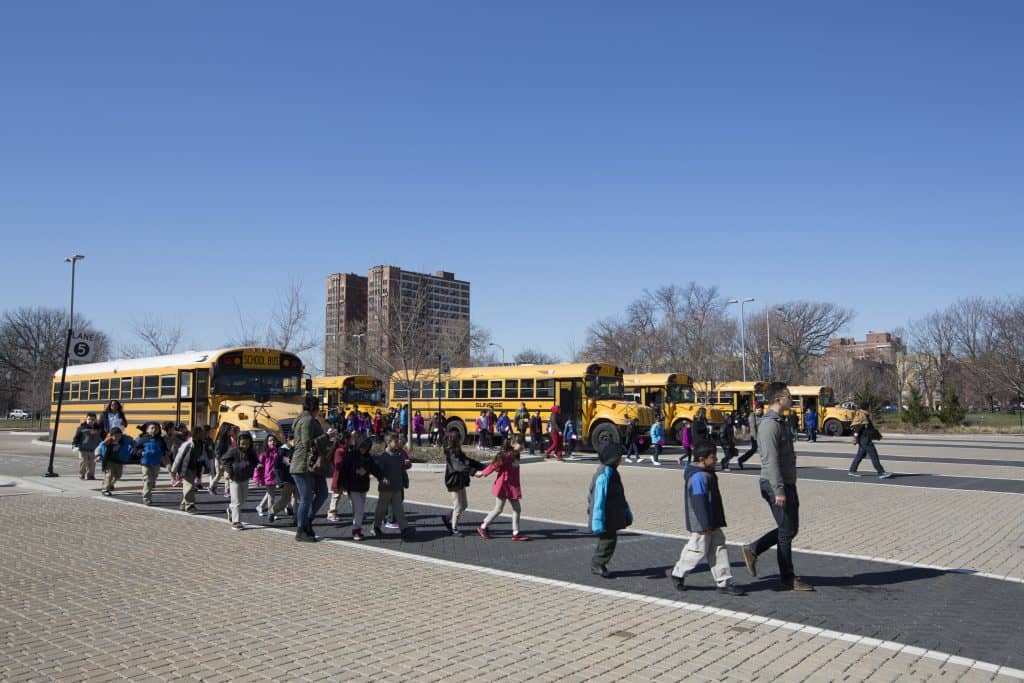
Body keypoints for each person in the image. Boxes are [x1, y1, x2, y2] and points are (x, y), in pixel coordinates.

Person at [741, 382, 813, 591]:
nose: (792, 400)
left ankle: (753, 549)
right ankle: (788, 577)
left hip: (786, 482)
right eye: (789, 396)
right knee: (786, 530)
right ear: (779, 399)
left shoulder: (780, 421)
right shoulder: (769, 425)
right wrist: (779, 490)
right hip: (775, 485)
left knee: (791, 528)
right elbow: (770, 461)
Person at [665, 443, 746, 595]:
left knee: (718, 548)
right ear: (702, 459)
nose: (716, 459)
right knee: (698, 550)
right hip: (702, 523)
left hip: (711, 520)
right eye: (713, 456)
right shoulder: (698, 477)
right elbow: (699, 502)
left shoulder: (705, 472)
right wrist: (705, 524)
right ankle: (677, 573)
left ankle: (724, 582)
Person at [588, 443, 632, 578]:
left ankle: (599, 562)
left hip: (612, 512)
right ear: (612, 458)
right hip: (604, 514)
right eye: (619, 457)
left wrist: (626, 512)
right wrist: (597, 522)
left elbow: (620, 495)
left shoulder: (612, 471)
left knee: (609, 539)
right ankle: (597, 563)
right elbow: (598, 501)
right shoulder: (604, 475)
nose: (621, 460)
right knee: (608, 539)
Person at [290, 394, 330, 542]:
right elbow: (307, 444)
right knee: (306, 498)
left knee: (323, 493)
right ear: (315, 408)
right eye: (318, 407)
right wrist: (326, 436)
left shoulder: (310, 420)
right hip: (302, 465)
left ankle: (307, 522)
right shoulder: (306, 421)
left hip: (313, 466)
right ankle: (301, 530)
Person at [475, 442, 529, 541]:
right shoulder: (506, 455)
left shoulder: (516, 455)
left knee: (517, 508)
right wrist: (483, 473)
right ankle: (482, 527)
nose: (522, 446)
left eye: (523, 444)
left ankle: (515, 533)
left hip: (512, 487)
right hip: (503, 486)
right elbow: (494, 465)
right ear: (513, 444)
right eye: (520, 444)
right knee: (498, 509)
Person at [441, 429, 485, 536]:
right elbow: (459, 466)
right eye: (459, 438)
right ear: (455, 440)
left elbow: (467, 461)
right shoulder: (451, 452)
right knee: (458, 506)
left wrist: (481, 466)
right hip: (454, 481)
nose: (461, 440)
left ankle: (447, 518)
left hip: (460, 480)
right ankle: (454, 528)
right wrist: (474, 472)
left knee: (464, 505)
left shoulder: (457, 451)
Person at [339, 436, 383, 540]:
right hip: (353, 487)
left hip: (363, 487)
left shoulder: (368, 456)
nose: (364, 449)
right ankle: (356, 530)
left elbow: (374, 468)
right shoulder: (350, 456)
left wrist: (381, 477)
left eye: (366, 447)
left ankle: (357, 529)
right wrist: (342, 486)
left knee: (358, 510)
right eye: (362, 447)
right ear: (357, 446)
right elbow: (343, 471)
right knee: (359, 510)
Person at [372, 435, 411, 539]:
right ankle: (376, 527)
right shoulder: (384, 456)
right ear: (389, 442)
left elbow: (402, 468)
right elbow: (378, 472)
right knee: (381, 509)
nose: (398, 442)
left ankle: (405, 528)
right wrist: (382, 478)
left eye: (398, 440)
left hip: (397, 487)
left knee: (399, 509)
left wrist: (405, 477)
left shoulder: (399, 454)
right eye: (395, 441)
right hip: (386, 489)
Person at [221, 431, 259, 530]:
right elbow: (224, 460)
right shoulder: (233, 451)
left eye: (247, 443)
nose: (245, 446)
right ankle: (236, 522)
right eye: (242, 444)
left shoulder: (251, 452)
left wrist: (258, 465)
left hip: (245, 478)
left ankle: (230, 509)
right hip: (235, 479)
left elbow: (255, 460)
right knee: (237, 501)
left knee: (243, 499)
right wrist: (229, 471)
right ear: (238, 442)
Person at [170, 426, 208, 513]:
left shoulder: (201, 444)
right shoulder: (187, 444)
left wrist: (207, 467)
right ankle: (190, 505)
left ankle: (183, 504)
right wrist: (174, 470)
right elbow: (179, 457)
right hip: (186, 467)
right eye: (201, 433)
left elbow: (203, 456)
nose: (203, 434)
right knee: (190, 486)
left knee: (189, 486)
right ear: (196, 433)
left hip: (195, 467)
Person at [849, 404, 891, 478]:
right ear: (866, 408)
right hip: (865, 439)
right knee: (873, 455)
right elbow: (858, 428)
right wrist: (855, 437)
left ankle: (852, 470)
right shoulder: (862, 416)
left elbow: (868, 427)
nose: (869, 408)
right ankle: (881, 472)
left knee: (860, 455)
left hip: (864, 439)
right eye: (868, 407)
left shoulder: (863, 414)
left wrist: (876, 435)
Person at [135, 423, 168, 506]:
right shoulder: (143, 439)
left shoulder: (160, 439)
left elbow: (164, 449)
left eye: (156, 428)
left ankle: (149, 484)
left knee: (153, 478)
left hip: (156, 462)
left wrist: (165, 453)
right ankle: (146, 498)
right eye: (152, 428)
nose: (154, 429)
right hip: (146, 462)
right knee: (148, 480)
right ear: (147, 430)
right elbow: (136, 449)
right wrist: (141, 452)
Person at [268, 435, 298, 523]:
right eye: (295, 440)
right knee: (285, 500)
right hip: (287, 480)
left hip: (298, 479)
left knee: (298, 500)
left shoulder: (299, 449)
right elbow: (276, 467)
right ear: (289, 439)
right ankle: (272, 511)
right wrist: (279, 481)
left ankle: (296, 519)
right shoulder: (282, 451)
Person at [98, 427, 132, 496]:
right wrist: (98, 455)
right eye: (115, 436)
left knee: (118, 475)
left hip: (119, 461)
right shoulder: (106, 442)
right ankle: (105, 489)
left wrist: (134, 447)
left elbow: (132, 441)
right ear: (111, 435)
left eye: (119, 436)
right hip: (109, 461)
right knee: (109, 475)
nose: (117, 437)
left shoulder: (124, 441)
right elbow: (98, 448)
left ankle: (110, 484)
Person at [327, 432, 352, 523]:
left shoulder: (346, 449)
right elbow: (339, 464)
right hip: (340, 477)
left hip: (346, 477)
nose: (351, 440)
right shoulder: (340, 451)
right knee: (336, 496)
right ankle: (331, 513)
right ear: (345, 440)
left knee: (352, 495)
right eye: (350, 439)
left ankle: (357, 512)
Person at [254, 434, 282, 516]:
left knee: (269, 493)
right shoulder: (264, 454)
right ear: (267, 442)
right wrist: (257, 479)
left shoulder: (278, 452)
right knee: (271, 496)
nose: (272, 442)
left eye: (274, 440)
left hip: (276, 477)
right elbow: (258, 468)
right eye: (270, 441)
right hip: (268, 477)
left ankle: (260, 506)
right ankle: (271, 513)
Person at [72, 413, 102, 480]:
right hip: (83, 449)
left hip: (93, 449)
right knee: (83, 462)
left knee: (92, 463)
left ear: (95, 420)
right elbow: (76, 437)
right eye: (89, 419)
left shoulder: (98, 429)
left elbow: (100, 439)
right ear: (86, 419)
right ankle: (82, 474)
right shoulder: (81, 428)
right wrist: (74, 445)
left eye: (93, 419)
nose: (90, 421)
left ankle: (90, 475)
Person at [735, 404, 763, 469]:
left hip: (761, 436)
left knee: (757, 450)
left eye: (761, 410)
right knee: (754, 449)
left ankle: (741, 459)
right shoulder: (752, 416)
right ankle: (741, 459)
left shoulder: (762, 416)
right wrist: (756, 439)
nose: (760, 412)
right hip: (755, 437)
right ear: (755, 410)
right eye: (758, 410)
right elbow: (752, 427)